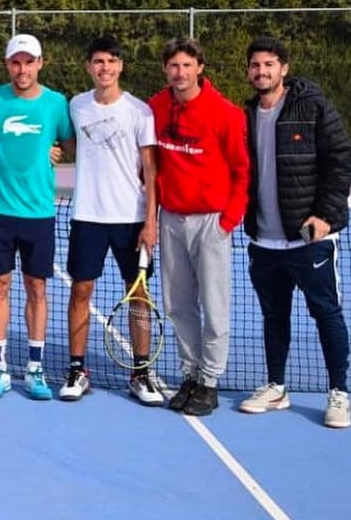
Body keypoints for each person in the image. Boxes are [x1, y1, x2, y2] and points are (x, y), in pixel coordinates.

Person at [239, 36, 351, 428]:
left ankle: (339, 393)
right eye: (255, 65)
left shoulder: (312, 105)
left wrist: (325, 215)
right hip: (264, 240)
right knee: (274, 315)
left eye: (269, 64)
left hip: (309, 239)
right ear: (248, 71)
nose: (262, 71)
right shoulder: (247, 114)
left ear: (283, 68)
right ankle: (276, 387)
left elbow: (341, 161)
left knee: (326, 314)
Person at [149, 37, 250, 416]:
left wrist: (227, 221)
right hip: (171, 219)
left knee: (215, 305)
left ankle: (209, 381)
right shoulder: (156, 107)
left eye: (187, 66)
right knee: (177, 305)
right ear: (166, 70)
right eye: (174, 66)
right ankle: (190, 374)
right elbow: (150, 163)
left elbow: (242, 172)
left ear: (200, 68)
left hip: (211, 222)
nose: (180, 73)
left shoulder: (225, 113)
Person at [58, 35, 161, 406]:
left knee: (139, 296)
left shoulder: (140, 111)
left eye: (112, 61)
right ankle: (76, 368)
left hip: (131, 219)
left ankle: (141, 371)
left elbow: (151, 171)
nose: (105, 68)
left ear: (121, 66)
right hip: (87, 216)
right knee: (80, 291)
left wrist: (150, 223)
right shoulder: (77, 105)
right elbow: (72, 145)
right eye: (98, 61)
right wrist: (58, 150)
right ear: (89, 66)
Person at [0, 34, 74, 400]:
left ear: (40, 63)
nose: (22, 69)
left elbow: (71, 141)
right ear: (7, 65)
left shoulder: (56, 104)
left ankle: (34, 368)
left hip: (39, 213)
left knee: (37, 289)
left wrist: (59, 150)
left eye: (29, 62)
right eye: (16, 62)